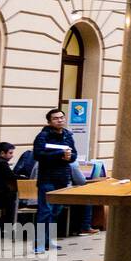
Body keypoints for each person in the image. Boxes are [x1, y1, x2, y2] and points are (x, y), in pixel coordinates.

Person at [32, 108, 77, 252]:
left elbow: (74, 154)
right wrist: (59, 154)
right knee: (45, 211)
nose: (60, 120)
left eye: (62, 118)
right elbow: (38, 154)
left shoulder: (67, 136)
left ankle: (49, 240)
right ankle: (39, 243)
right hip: (47, 178)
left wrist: (70, 157)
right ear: (49, 121)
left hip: (62, 178)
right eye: (56, 118)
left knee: (56, 211)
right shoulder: (43, 136)